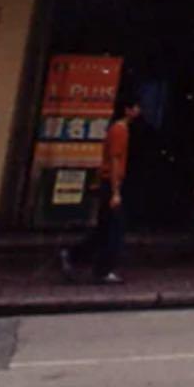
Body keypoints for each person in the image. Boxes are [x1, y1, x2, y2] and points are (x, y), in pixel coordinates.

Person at [61, 97, 141, 284]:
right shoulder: (120, 130)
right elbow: (114, 159)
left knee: (104, 228)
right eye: (136, 106)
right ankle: (103, 269)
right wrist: (115, 191)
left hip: (108, 181)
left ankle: (74, 255)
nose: (139, 110)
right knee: (115, 229)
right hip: (113, 182)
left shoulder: (119, 129)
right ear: (127, 109)